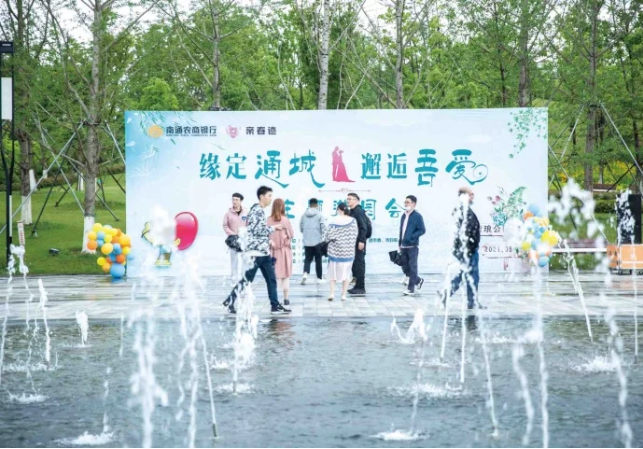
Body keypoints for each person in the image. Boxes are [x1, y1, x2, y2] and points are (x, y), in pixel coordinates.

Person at [223, 186, 291, 315]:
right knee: (248, 279)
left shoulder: (258, 210)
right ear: (261, 196)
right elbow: (256, 230)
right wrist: (273, 228)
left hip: (262, 252)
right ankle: (230, 301)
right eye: (269, 196)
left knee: (271, 279)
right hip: (256, 253)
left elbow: (255, 231)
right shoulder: (257, 210)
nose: (270, 199)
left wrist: (267, 241)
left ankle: (275, 305)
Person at [439, 187, 484, 309]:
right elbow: (464, 233)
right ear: (464, 196)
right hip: (467, 250)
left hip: (467, 249)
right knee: (471, 276)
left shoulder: (463, 209)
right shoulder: (463, 210)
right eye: (471, 194)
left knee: (466, 274)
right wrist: (469, 249)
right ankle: (468, 300)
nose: (473, 197)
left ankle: (449, 294)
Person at [325, 202, 358, 301]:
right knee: (346, 274)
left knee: (333, 274)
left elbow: (329, 235)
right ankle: (343, 295)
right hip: (348, 252)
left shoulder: (333, 220)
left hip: (334, 251)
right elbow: (354, 235)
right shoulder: (352, 221)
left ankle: (332, 293)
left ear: (339, 209)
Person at [267, 199, 294, 306]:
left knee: (274, 275)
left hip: (273, 251)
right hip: (284, 251)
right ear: (282, 207)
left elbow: (266, 235)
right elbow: (291, 234)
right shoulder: (285, 220)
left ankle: (275, 299)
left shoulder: (268, 220)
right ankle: (286, 299)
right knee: (285, 275)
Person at [399, 195, 426, 296]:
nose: (406, 204)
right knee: (405, 267)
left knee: (412, 267)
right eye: (405, 202)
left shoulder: (417, 216)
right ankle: (418, 280)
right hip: (403, 246)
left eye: (408, 202)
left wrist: (412, 237)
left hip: (412, 246)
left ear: (414, 204)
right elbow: (401, 231)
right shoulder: (403, 215)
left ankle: (411, 289)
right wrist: (399, 243)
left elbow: (422, 230)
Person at [222, 193, 248, 283]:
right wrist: (232, 234)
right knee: (234, 260)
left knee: (245, 259)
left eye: (237, 200)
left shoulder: (246, 212)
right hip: (233, 240)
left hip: (244, 240)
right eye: (233, 199)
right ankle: (234, 279)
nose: (234, 201)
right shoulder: (228, 213)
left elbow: (250, 224)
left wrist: (244, 233)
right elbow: (225, 225)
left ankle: (244, 279)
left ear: (241, 201)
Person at [300, 198, 326, 285]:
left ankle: (305, 273)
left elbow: (301, 227)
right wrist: (323, 237)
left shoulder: (304, 215)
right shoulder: (319, 214)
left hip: (307, 241)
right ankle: (319, 278)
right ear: (317, 205)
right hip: (317, 241)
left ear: (309, 205)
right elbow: (323, 227)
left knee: (307, 259)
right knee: (318, 260)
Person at [346, 193, 368, 296]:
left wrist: (362, 241)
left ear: (356, 200)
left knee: (359, 264)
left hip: (359, 242)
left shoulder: (359, 212)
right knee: (355, 265)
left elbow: (363, 227)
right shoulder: (352, 212)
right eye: (347, 199)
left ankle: (361, 287)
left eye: (350, 199)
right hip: (352, 242)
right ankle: (357, 286)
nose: (348, 201)